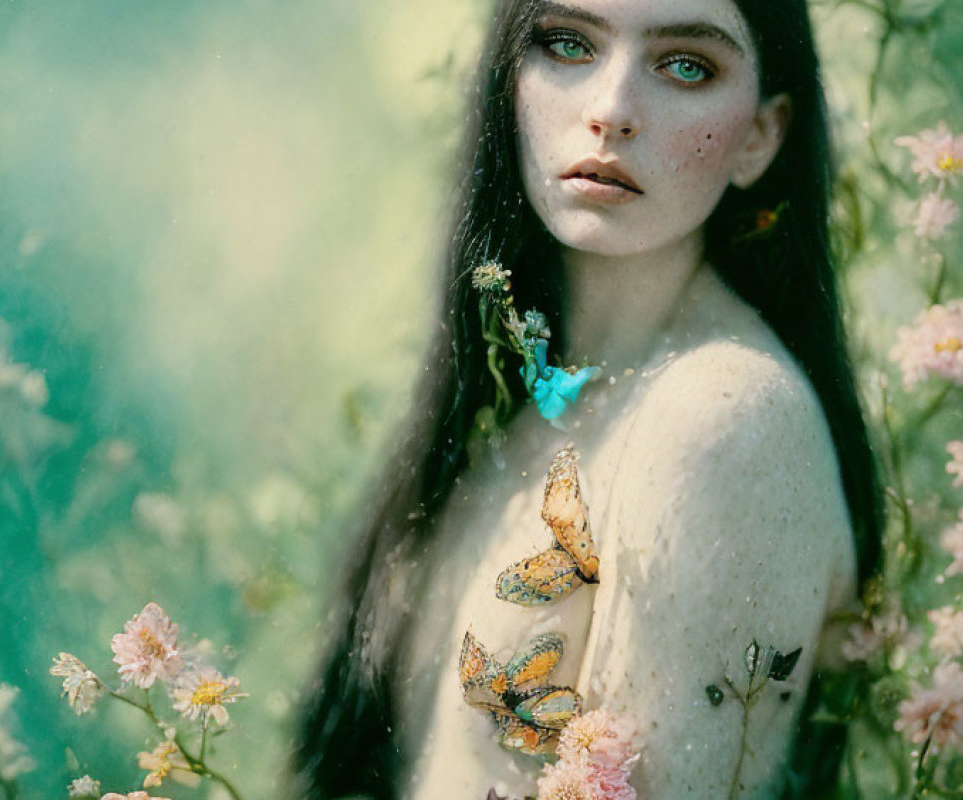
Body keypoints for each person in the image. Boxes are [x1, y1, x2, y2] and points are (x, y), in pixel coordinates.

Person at [296, 0, 883, 798]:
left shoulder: (724, 417)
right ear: (510, 77)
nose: (610, 112)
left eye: (686, 66)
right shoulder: (530, 388)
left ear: (760, 136)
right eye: (568, 44)